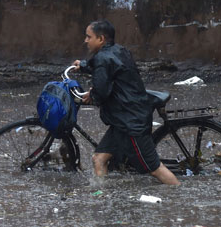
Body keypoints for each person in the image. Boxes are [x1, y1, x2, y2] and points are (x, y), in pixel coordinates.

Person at [72, 20, 180, 186]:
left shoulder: (103, 58)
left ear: (100, 39)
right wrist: (84, 65)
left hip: (130, 122)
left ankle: (178, 193)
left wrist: (92, 95)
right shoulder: (118, 50)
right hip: (122, 120)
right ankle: (103, 198)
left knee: (154, 168)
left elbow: (101, 90)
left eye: (88, 37)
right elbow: (107, 67)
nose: (85, 40)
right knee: (98, 159)